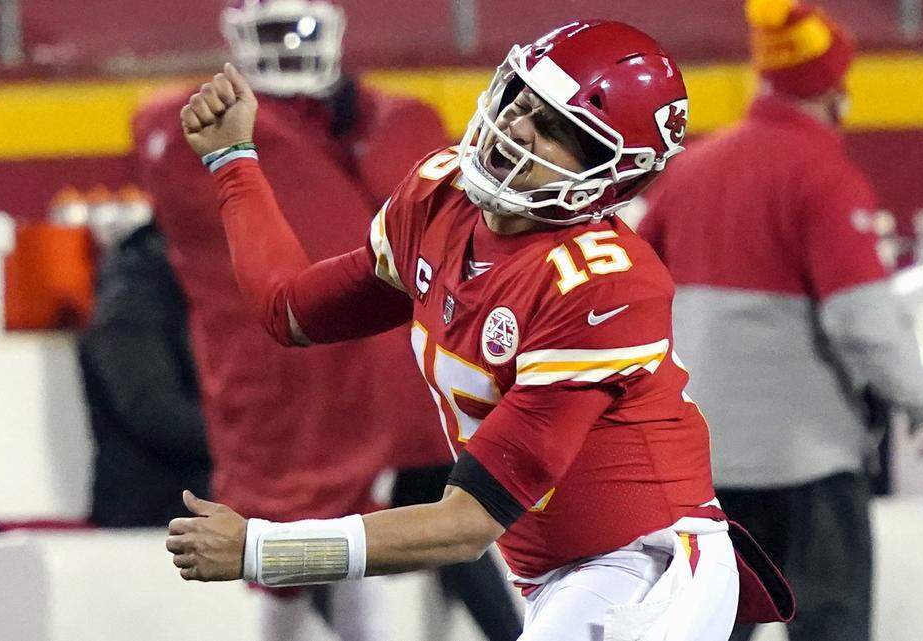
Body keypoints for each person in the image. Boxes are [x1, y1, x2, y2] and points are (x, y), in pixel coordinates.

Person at [166, 20, 796, 641]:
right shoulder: (441, 199)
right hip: (556, 571)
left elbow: (466, 525)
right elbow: (290, 310)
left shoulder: (602, 284)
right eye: (522, 100)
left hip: (646, 564)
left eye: (557, 129)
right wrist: (233, 161)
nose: (517, 128)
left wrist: (261, 550)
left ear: (613, 173)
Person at [136, 1, 521, 639]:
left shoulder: (393, 122)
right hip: (300, 375)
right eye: (276, 31)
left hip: (399, 369)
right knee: (304, 545)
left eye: (301, 28)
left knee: (395, 531)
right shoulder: (199, 128)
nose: (291, 45)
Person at [635, 2, 923, 640]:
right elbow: (861, 321)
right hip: (811, 467)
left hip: (706, 468)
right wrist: (920, 397)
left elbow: (634, 293)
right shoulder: (824, 175)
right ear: (834, 88)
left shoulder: (688, 170)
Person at [79, 209, 213, 528]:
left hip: (220, 508)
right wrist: (266, 442)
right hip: (156, 520)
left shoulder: (218, 277)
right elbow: (155, 412)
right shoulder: (135, 287)